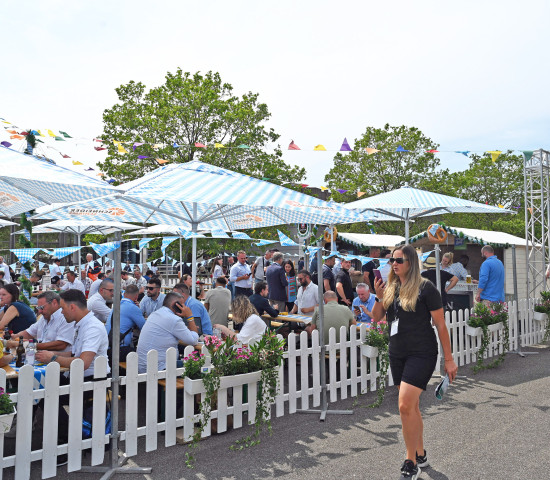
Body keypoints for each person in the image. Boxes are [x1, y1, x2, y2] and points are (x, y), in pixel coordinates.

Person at [371, 245, 457, 479]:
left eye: (399, 260)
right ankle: (420, 453)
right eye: (391, 260)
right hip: (397, 353)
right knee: (412, 407)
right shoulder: (391, 287)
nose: (394, 264)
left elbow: (440, 325)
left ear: (411, 262)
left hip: (422, 353)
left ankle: (410, 461)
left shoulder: (426, 288)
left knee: (405, 406)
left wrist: (448, 360)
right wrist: (379, 298)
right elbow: (377, 317)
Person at [35, 289, 110, 455]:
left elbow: (82, 362)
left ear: (73, 307)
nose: (61, 312)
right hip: (81, 378)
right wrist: (46, 355)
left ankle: (66, 439)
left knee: (45, 396)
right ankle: (60, 434)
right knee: (39, 389)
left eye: (62, 308)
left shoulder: (92, 327)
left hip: (93, 381)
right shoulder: (82, 324)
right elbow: (74, 354)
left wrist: (53, 358)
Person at [136, 292, 198, 373]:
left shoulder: (155, 314)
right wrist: (190, 317)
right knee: (197, 365)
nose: (185, 308)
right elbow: (193, 340)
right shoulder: (174, 319)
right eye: (183, 305)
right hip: (159, 368)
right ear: (175, 305)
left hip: (143, 367)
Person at [7, 291, 74, 352]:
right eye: (38, 308)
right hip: (43, 358)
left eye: (42, 307)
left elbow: (61, 344)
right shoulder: (44, 317)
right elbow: (29, 333)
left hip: (57, 362)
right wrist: (14, 336)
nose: (39, 311)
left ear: (54, 303)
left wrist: (30, 345)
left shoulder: (65, 317)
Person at [106, 284, 145, 359]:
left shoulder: (117, 305)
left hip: (108, 347)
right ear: (136, 296)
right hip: (119, 349)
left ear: (124, 294)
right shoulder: (133, 308)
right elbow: (144, 328)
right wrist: (138, 309)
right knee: (144, 354)